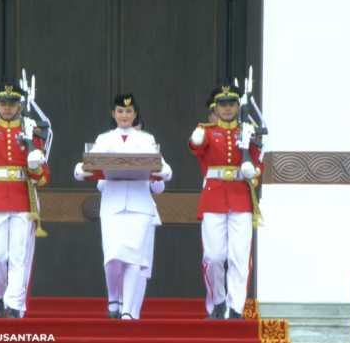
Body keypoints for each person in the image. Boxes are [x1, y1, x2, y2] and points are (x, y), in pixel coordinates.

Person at [75, 94, 172, 320]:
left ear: (135, 113)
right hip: (112, 202)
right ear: (114, 114)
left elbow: (163, 169)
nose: (124, 115)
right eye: (120, 111)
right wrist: (81, 169)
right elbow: (86, 167)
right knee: (112, 257)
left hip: (140, 203)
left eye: (129, 112)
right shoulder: (104, 139)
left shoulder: (147, 140)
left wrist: (163, 171)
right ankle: (113, 298)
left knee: (134, 260)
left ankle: (128, 311)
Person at [0, 83, 50, 319]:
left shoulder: (30, 132)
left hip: (23, 199)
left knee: (19, 255)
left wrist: (34, 166)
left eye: (12, 104)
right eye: (3, 104)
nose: (7, 108)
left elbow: (43, 178)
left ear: (19, 106)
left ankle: (14, 304)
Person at [188, 84, 264, 320]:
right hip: (214, 198)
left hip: (241, 198)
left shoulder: (249, 131)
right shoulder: (208, 131)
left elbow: (258, 161)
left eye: (232, 104)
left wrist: (254, 172)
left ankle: (235, 307)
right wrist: (195, 137)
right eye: (223, 104)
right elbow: (197, 147)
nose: (228, 108)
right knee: (212, 257)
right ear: (216, 108)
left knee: (239, 257)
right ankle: (217, 301)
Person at [104, 118, 164, 319]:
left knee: (138, 266)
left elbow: (159, 186)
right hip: (116, 206)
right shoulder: (108, 144)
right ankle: (117, 301)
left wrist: (154, 172)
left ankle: (131, 314)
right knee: (115, 259)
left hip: (143, 211)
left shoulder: (148, 144)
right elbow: (99, 182)